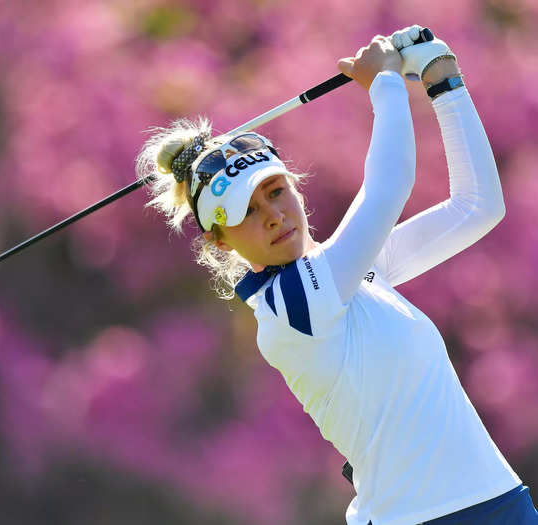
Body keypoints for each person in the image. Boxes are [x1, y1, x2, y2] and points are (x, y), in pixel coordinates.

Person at [135, 25, 538, 525]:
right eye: (247, 212)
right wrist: (385, 84)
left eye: (276, 192)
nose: (273, 216)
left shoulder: (358, 269)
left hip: (504, 503)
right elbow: (388, 186)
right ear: (221, 240)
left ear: (295, 188)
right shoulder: (287, 309)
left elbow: (478, 206)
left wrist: (443, 81)